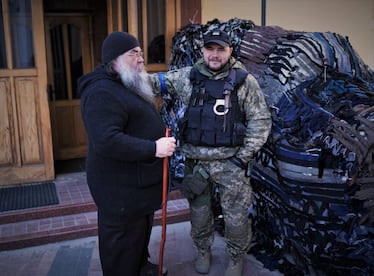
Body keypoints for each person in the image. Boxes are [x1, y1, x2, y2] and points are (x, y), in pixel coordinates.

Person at [150, 29, 272, 275]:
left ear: (230, 51)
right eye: (210, 49)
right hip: (197, 164)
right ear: (202, 51)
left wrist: (243, 157)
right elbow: (154, 83)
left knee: (235, 217)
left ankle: (236, 259)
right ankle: (203, 251)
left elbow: (261, 121)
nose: (215, 55)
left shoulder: (244, 82)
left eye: (221, 49)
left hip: (231, 164)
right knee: (199, 214)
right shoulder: (188, 77)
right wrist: (120, 75)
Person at [78, 31, 176, 276]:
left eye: (141, 53)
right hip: (120, 192)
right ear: (114, 59)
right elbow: (107, 140)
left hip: (137, 189)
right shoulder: (101, 92)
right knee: (122, 248)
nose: (141, 58)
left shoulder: (124, 81)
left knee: (138, 239)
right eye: (134, 54)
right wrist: (154, 148)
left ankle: (141, 267)